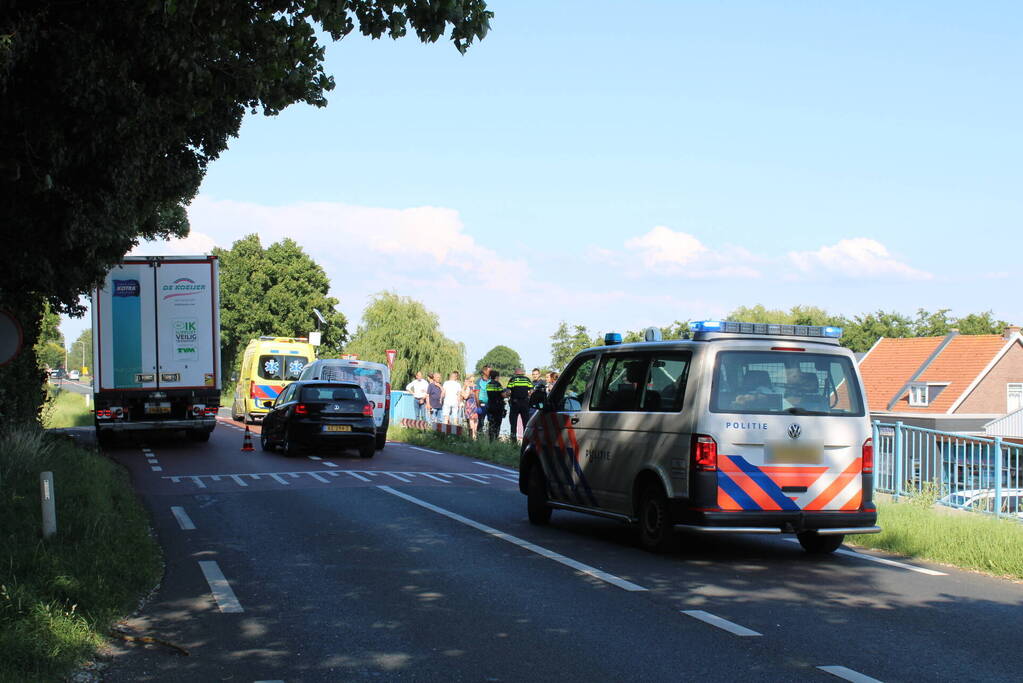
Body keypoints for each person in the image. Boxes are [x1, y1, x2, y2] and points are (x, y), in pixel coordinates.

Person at [506, 367, 533, 442]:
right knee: (525, 423)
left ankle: (513, 441)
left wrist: (508, 396)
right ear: (522, 373)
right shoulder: (527, 379)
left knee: (513, 423)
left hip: (515, 403)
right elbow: (531, 391)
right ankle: (526, 441)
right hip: (525, 403)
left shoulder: (513, 379)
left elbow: (508, 391)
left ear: (515, 373)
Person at [485, 369, 508, 441]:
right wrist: (507, 393)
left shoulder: (488, 384)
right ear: (497, 377)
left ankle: (491, 439)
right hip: (498, 406)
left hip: (490, 405)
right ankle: (496, 438)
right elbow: (503, 395)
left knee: (491, 423)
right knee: (498, 423)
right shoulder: (498, 384)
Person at [476, 365, 492, 436]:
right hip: (482, 404)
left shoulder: (492, 380)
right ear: (484, 371)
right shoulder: (479, 381)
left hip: (490, 404)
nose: (491, 372)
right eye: (490, 371)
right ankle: (479, 437)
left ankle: (490, 437)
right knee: (481, 422)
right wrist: (478, 405)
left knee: (491, 421)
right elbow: (476, 394)